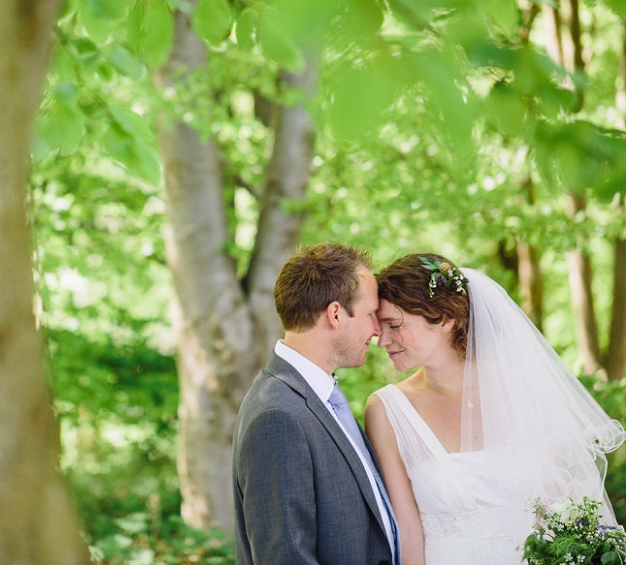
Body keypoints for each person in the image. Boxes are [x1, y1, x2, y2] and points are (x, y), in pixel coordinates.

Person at [365, 254, 626, 564]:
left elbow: (562, 508)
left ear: (445, 319)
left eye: (394, 325)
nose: (383, 341)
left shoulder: (525, 389)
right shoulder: (386, 409)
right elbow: (406, 532)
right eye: (381, 328)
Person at [232, 242, 400, 565]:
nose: (377, 330)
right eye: (369, 315)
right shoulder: (277, 416)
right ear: (335, 314)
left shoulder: (319, 398)